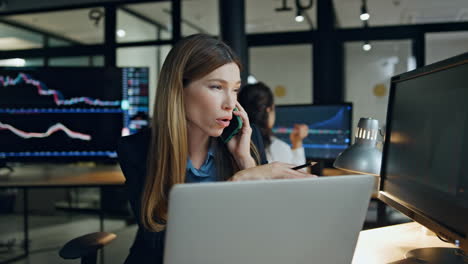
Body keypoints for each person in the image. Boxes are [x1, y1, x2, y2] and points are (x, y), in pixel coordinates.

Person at [117, 34, 314, 264]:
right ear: (178, 89)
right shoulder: (137, 149)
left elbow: (261, 231)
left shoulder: (247, 141)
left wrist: (246, 163)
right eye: (216, 87)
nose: (230, 103)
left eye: (235, 90)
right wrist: (237, 183)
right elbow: (161, 243)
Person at [238, 82, 309, 165]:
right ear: (268, 110)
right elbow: (300, 176)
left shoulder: (232, 143)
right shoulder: (279, 149)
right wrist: (297, 144)